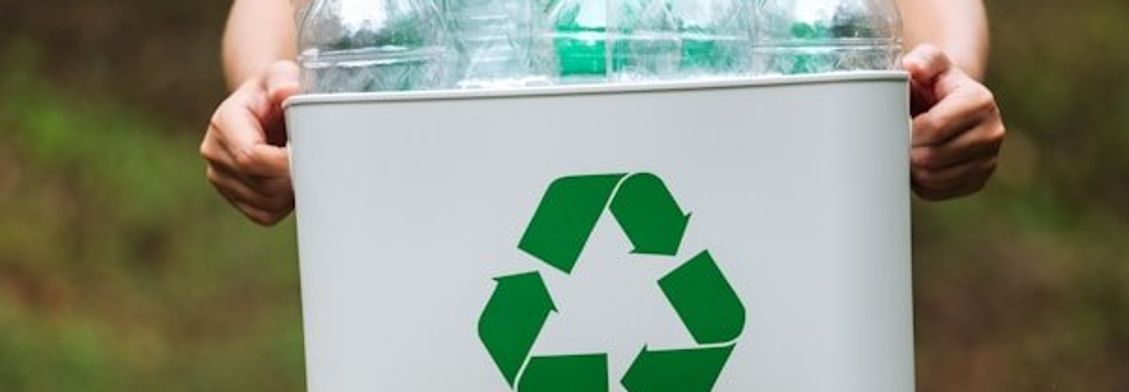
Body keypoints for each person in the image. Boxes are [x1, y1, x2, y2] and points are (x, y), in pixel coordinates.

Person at [201, 0, 1006, 225]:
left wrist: (948, 85)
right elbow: (287, 12)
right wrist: (268, 96)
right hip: (448, 212)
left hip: (760, 204)